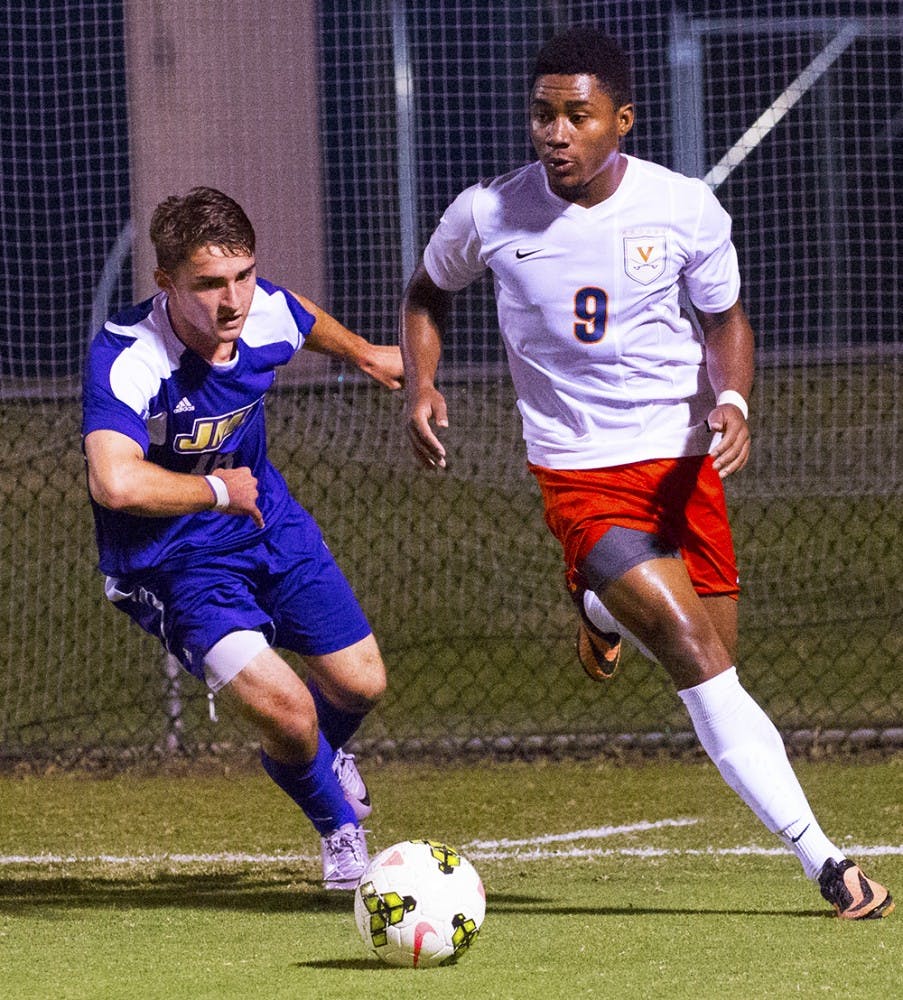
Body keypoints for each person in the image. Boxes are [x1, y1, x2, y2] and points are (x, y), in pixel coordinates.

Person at [399, 29, 893, 920]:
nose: (554, 132)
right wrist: (422, 385)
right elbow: (427, 294)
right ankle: (827, 864)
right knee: (701, 662)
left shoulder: (683, 208)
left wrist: (733, 401)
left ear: (619, 121)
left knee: (716, 661)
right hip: (578, 475)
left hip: (680, 468)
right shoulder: (486, 212)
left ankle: (594, 606)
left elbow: (725, 320)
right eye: (542, 114)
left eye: (575, 115)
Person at [83, 186, 402, 890]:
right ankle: (342, 835)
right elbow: (115, 483)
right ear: (166, 283)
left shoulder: (260, 312)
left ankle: (313, 758)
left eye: (243, 276)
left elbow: (298, 316)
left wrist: (364, 353)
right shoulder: (130, 357)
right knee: (287, 708)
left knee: (361, 682)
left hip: (266, 526)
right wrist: (218, 492)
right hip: (171, 562)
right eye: (207, 284)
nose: (231, 301)